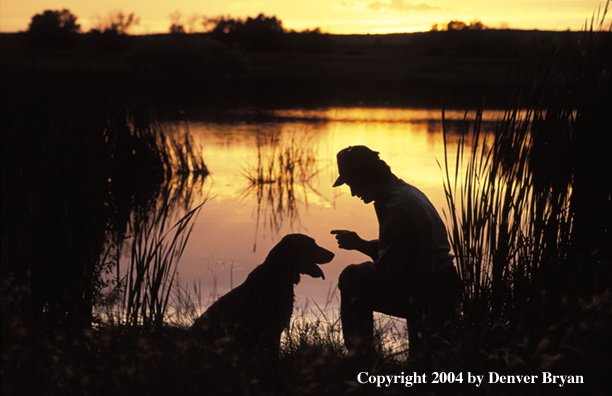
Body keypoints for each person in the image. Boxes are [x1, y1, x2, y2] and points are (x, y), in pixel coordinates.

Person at [331, 145, 461, 356]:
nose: (353, 192)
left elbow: (387, 272)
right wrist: (360, 244)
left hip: (430, 292)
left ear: (365, 176)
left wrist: (357, 270)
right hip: (436, 285)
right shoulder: (401, 193)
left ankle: (360, 358)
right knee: (426, 361)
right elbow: (398, 252)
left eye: (352, 184)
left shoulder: (397, 208)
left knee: (350, 280)